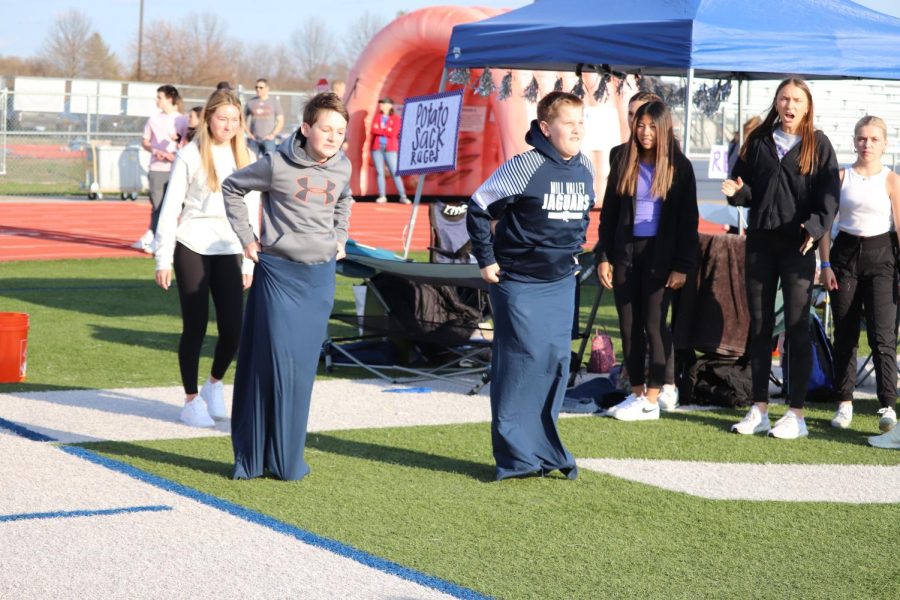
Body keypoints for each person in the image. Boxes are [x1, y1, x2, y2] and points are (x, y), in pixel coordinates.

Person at [222, 92, 353, 481]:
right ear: (307, 128)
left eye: (340, 131)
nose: (333, 137)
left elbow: (345, 200)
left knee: (301, 372)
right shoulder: (276, 165)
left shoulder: (343, 167)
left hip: (319, 279)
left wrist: (340, 236)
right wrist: (247, 238)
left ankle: (286, 460)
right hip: (279, 277)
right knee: (275, 365)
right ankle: (256, 456)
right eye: (326, 129)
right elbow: (232, 187)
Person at [467, 91, 595, 481]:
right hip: (519, 283)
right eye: (568, 123)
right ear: (545, 128)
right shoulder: (525, 166)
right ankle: (516, 457)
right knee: (523, 361)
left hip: (560, 284)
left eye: (581, 122)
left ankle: (544, 451)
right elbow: (478, 205)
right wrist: (486, 259)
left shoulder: (585, 166)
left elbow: (582, 216)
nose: (577, 129)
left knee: (556, 361)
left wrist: (573, 251)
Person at [723, 77, 840, 439]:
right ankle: (758, 409)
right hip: (760, 244)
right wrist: (739, 193)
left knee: (796, 327)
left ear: (807, 106)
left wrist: (815, 227)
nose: (789, 105)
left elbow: (829, 196)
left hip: (798, 248)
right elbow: (744, 190)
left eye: (796, 100)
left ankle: (796, 415)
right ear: (776, 102)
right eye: (783, 98)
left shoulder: (818, 145)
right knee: (759, 327)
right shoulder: (758, 139)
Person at [154, 90, 259, 427]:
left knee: (233, 330)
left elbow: (252, 211)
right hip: (192, 246)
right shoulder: (190, 154)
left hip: (230, 247)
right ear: (209, 117)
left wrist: (248, 260)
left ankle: (213, 384)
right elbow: (171, 209)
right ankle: (190, 400)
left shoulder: (248, 157)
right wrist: (162, 258)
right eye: (222, 118)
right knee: (196, 326)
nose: (228, 125)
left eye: (234, 119)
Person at [595, 100, 699, 421]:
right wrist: (603, 256)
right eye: (640, 125)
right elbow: (609, 214)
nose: (645, 132)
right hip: (626, 252)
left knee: (653, 325)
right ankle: (637, 394)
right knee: (629, 327)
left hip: (661, 258)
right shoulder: (622, 157)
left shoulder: (680, 167)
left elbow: (688, 222)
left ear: (664, 128)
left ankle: (653, 400)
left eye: (652, 126)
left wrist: (682, 266)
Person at [819, 116, 899, 434]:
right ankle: (844, 402)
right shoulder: (840, 177)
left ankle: (888, 404)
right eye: (862, 139)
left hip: (882, 259)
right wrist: (824, 266)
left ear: (884, 144)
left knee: (883, 337)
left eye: (874, 139)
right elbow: (825, 225)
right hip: (844, 258)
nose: (867, 145)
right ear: (854, 142)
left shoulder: (892, 180)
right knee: (846, 334)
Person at [133, 85, 185, 253]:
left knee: (179, 206)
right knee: (158, 206)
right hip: (157, 168)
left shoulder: (182, 120)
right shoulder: (153, 119)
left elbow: (187, 142)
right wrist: (156, 151)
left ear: (170, 98)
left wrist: (175, 153)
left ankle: (179, 241)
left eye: (160, 97)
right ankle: (157, 240)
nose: (157, 100)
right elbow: (145, 141)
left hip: (177, 169)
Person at [370, 97, 409, 204]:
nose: (381, 105)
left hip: (390, 148)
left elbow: (393, 133)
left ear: (389, 105)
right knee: (380, 172)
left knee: (395, 172)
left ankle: (402, 196)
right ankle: (382, 195)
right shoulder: (377, 116)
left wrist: (381, 130)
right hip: (377, 147)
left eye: (383, 103)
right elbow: (373, 129)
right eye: (381, 104)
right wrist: (386, 130)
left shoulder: (396, 118)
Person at [243, 78, 284, 157]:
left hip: (269, 140)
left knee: (269, 164)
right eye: (256, 87)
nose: (258, 89)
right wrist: (248, 133)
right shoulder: (250, 102)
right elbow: (242, 119)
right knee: (252, 164)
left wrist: (273, 134)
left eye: (261, 87)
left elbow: (280, 120)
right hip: (253, 140)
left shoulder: (274, 102)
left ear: (267, 88)